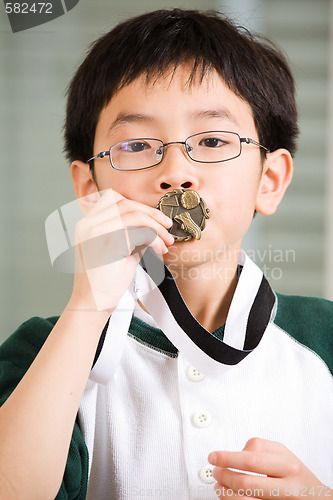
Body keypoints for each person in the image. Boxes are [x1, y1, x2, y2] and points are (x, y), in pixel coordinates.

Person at [0, 8, 332, 500]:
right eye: (136, 144)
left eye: (213, 140)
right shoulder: (45, 350)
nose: (176, 172)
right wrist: (86, 307)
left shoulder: (323, 340)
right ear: (90, 190)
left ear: (269, 180)